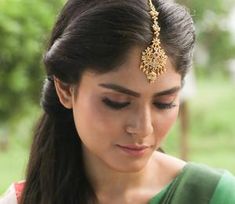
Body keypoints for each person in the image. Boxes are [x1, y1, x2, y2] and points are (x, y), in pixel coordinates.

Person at [1, 0, 235, 203]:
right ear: (65, 90)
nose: (144, 128)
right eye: (117, 102)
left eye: (164, 103)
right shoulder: (24, 199)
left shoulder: (215, 196)